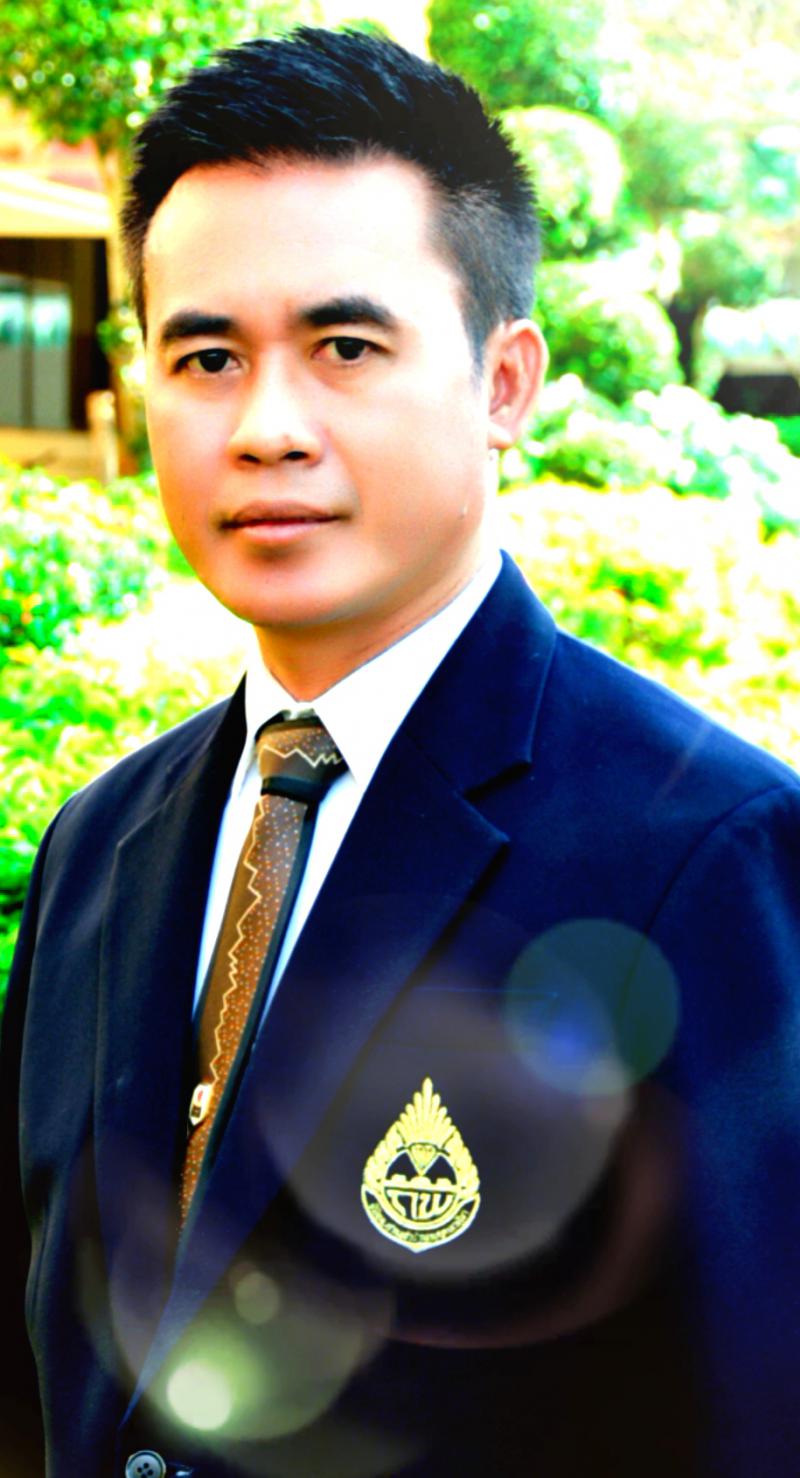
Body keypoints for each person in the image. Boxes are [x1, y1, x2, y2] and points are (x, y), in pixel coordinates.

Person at [2, 26, 800, 1478]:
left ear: (505, 383)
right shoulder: (96, 847)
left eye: (347, 348)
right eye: (207, 356)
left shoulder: (705, 857)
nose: (267, 428)